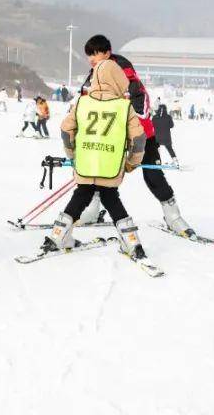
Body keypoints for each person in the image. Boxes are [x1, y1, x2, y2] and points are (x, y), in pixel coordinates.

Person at [80, 35, 195, 238]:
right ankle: (92, 210)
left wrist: (133, 140)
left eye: (95, 53)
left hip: (141, 134)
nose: (91, 58)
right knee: (98, 172)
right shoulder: (93, 75)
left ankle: (173, 216)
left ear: (107, 53)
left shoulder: (124, 72)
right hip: (109, 137)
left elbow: (140, 105)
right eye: (88, 54)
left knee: (153, 174)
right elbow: (85, 102)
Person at [43, 58, 149, 260]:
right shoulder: (124, 107)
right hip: (111, 164)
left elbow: (66, 130)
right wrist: (131, 163)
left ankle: (57, 237)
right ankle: (133, 243)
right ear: (118, 80)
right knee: (111, 198)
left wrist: (72, 154)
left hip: (86, 163)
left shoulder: (82, 102)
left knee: (81, 195)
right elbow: (138, 138)